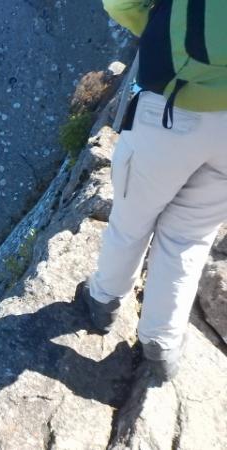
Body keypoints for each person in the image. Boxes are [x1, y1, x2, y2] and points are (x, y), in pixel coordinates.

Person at [75, 0, 227, 381]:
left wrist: (163, 26)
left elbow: (121, 3)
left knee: (133, 216)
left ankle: (104, 300)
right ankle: (161, 343)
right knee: (189, 236)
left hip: (174, 107)